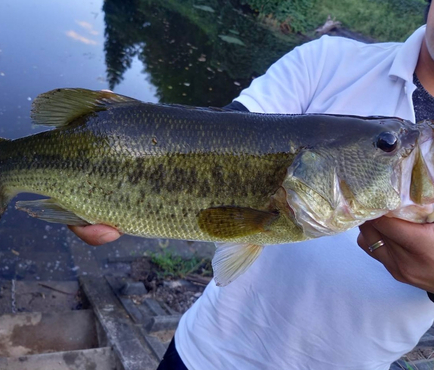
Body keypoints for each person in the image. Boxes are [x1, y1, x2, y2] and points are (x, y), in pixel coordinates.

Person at [71, 3, 434, 369]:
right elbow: (225, 136)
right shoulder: (330, 60)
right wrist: (125, 139)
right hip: (205, 353)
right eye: (386, 145)